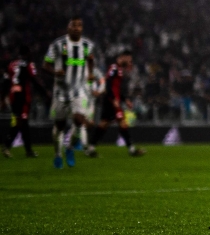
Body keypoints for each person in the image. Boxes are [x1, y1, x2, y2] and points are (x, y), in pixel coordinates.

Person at [43, 17, 97, 169]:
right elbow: (45, 65)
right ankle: (57, 154)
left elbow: (90, 59)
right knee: (59, 126)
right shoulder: (58, 45)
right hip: (60, 91)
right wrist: (54, 71)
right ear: (68, 27)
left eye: (79, 25)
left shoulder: (87, 45)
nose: (76, 28)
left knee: (79, 120)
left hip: (79, 90)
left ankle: (69, 148)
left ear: (82, 28)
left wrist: (91, 73)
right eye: (74, 25)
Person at [87, 50, 145, 157]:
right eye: (129, 60)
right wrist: (113, 99)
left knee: (107, 124)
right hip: (111, 101)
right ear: (123, 57)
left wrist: (125, 99)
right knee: (117, 123)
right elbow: (108, 84)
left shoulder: (119, 70)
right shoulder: (113, 68)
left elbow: (117, 88)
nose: (130, 62)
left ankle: (90, 148)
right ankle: (131, 150)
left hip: (114, 101)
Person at [3, 45, 39, 158]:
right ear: (27, 53)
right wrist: (46, 93)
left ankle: (28, 150)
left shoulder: (11, 64)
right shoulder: (28, 64)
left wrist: (3, 97)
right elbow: (34, 79)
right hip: (22, 98)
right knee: (21, 123)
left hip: (13, 96)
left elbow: (5, 81)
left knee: (21, 123)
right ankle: (8, 147)